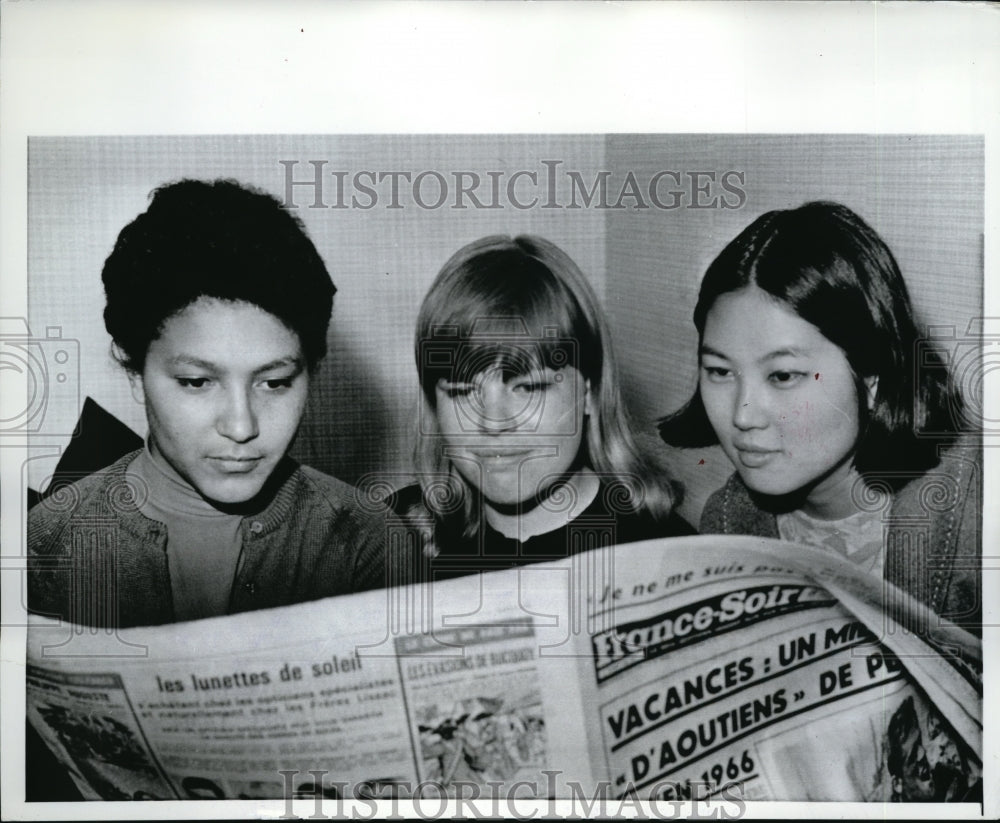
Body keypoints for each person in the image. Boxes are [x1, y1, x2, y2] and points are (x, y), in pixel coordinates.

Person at [28, 179, 389, 629]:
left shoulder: (368, 543)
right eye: (197, 382)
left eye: (275, 383)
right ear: (136, 372)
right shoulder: (43, 547)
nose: (241, 427)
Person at [658, 201, 980, 632]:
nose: (743, 415)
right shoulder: (728, 520)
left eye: (783, 375)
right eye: (719, 372)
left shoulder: (976, 513)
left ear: (872, 377)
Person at [392, 234, 692, 580]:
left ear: (590, 393)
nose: (493, 422)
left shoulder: (671, 557)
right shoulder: (390, 537)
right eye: (461, 392)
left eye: (528, 388)